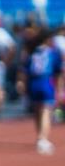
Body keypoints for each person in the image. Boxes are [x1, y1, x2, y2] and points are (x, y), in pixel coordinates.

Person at [22, 25, 61, 155]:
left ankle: (39, 136)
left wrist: (24, 86)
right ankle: (43, 139)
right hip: (45, 82)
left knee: (37, 111)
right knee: (45, 111)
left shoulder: (32, 53)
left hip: (34, 83)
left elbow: (26, 71)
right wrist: (59, 89)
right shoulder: (52, 52)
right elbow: (58, 72)